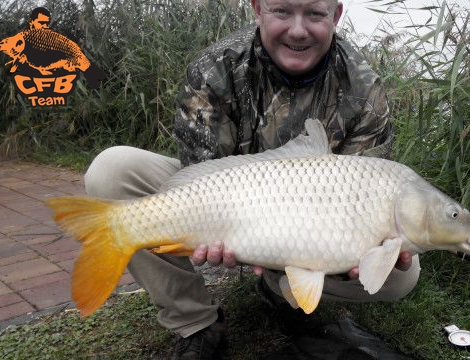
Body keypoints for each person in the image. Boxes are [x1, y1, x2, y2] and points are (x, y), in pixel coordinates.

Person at [84, 0, 421, 358]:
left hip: (317, 224)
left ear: (336, 16)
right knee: (112, 171)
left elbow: (366, 193)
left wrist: (366, 247)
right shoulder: (216, 67)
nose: (297, 29)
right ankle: (195, 322)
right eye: (282, 11)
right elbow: (202, 175)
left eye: (315, 14)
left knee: (402, 273)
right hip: (230, 206)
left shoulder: (363, 88)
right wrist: (213, 235)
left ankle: (280, 287)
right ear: (258, 8)